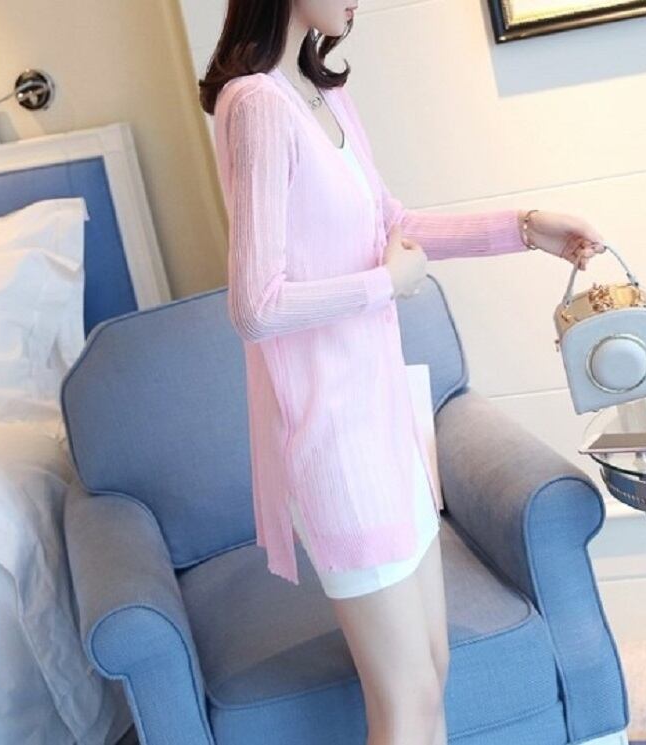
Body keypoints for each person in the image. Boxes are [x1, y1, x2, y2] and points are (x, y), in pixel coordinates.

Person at [199, 2, 605, 743]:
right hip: (334, 444)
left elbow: (395, 225)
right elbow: (255, 306)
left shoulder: (323, 92)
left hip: (388, 428)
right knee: (406, 699)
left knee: (431, 675)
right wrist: (386, 284)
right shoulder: (255, 103)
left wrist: (526, 227)